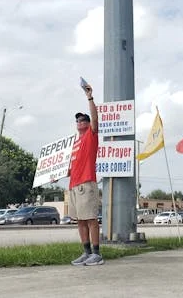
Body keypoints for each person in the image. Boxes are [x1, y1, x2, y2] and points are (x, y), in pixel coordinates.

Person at [68, 82, 103, 266]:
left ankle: (97, 254)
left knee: (90, 219)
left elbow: (96, 121)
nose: (79, 122)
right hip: (74, 185)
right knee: (79, 221)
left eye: (83, 120)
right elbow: (71, 166)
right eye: (77, 120)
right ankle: (86, 252)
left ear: (88, 124)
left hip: (87, 183)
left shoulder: (91, 135)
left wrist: (90, 97)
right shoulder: (75, 143)